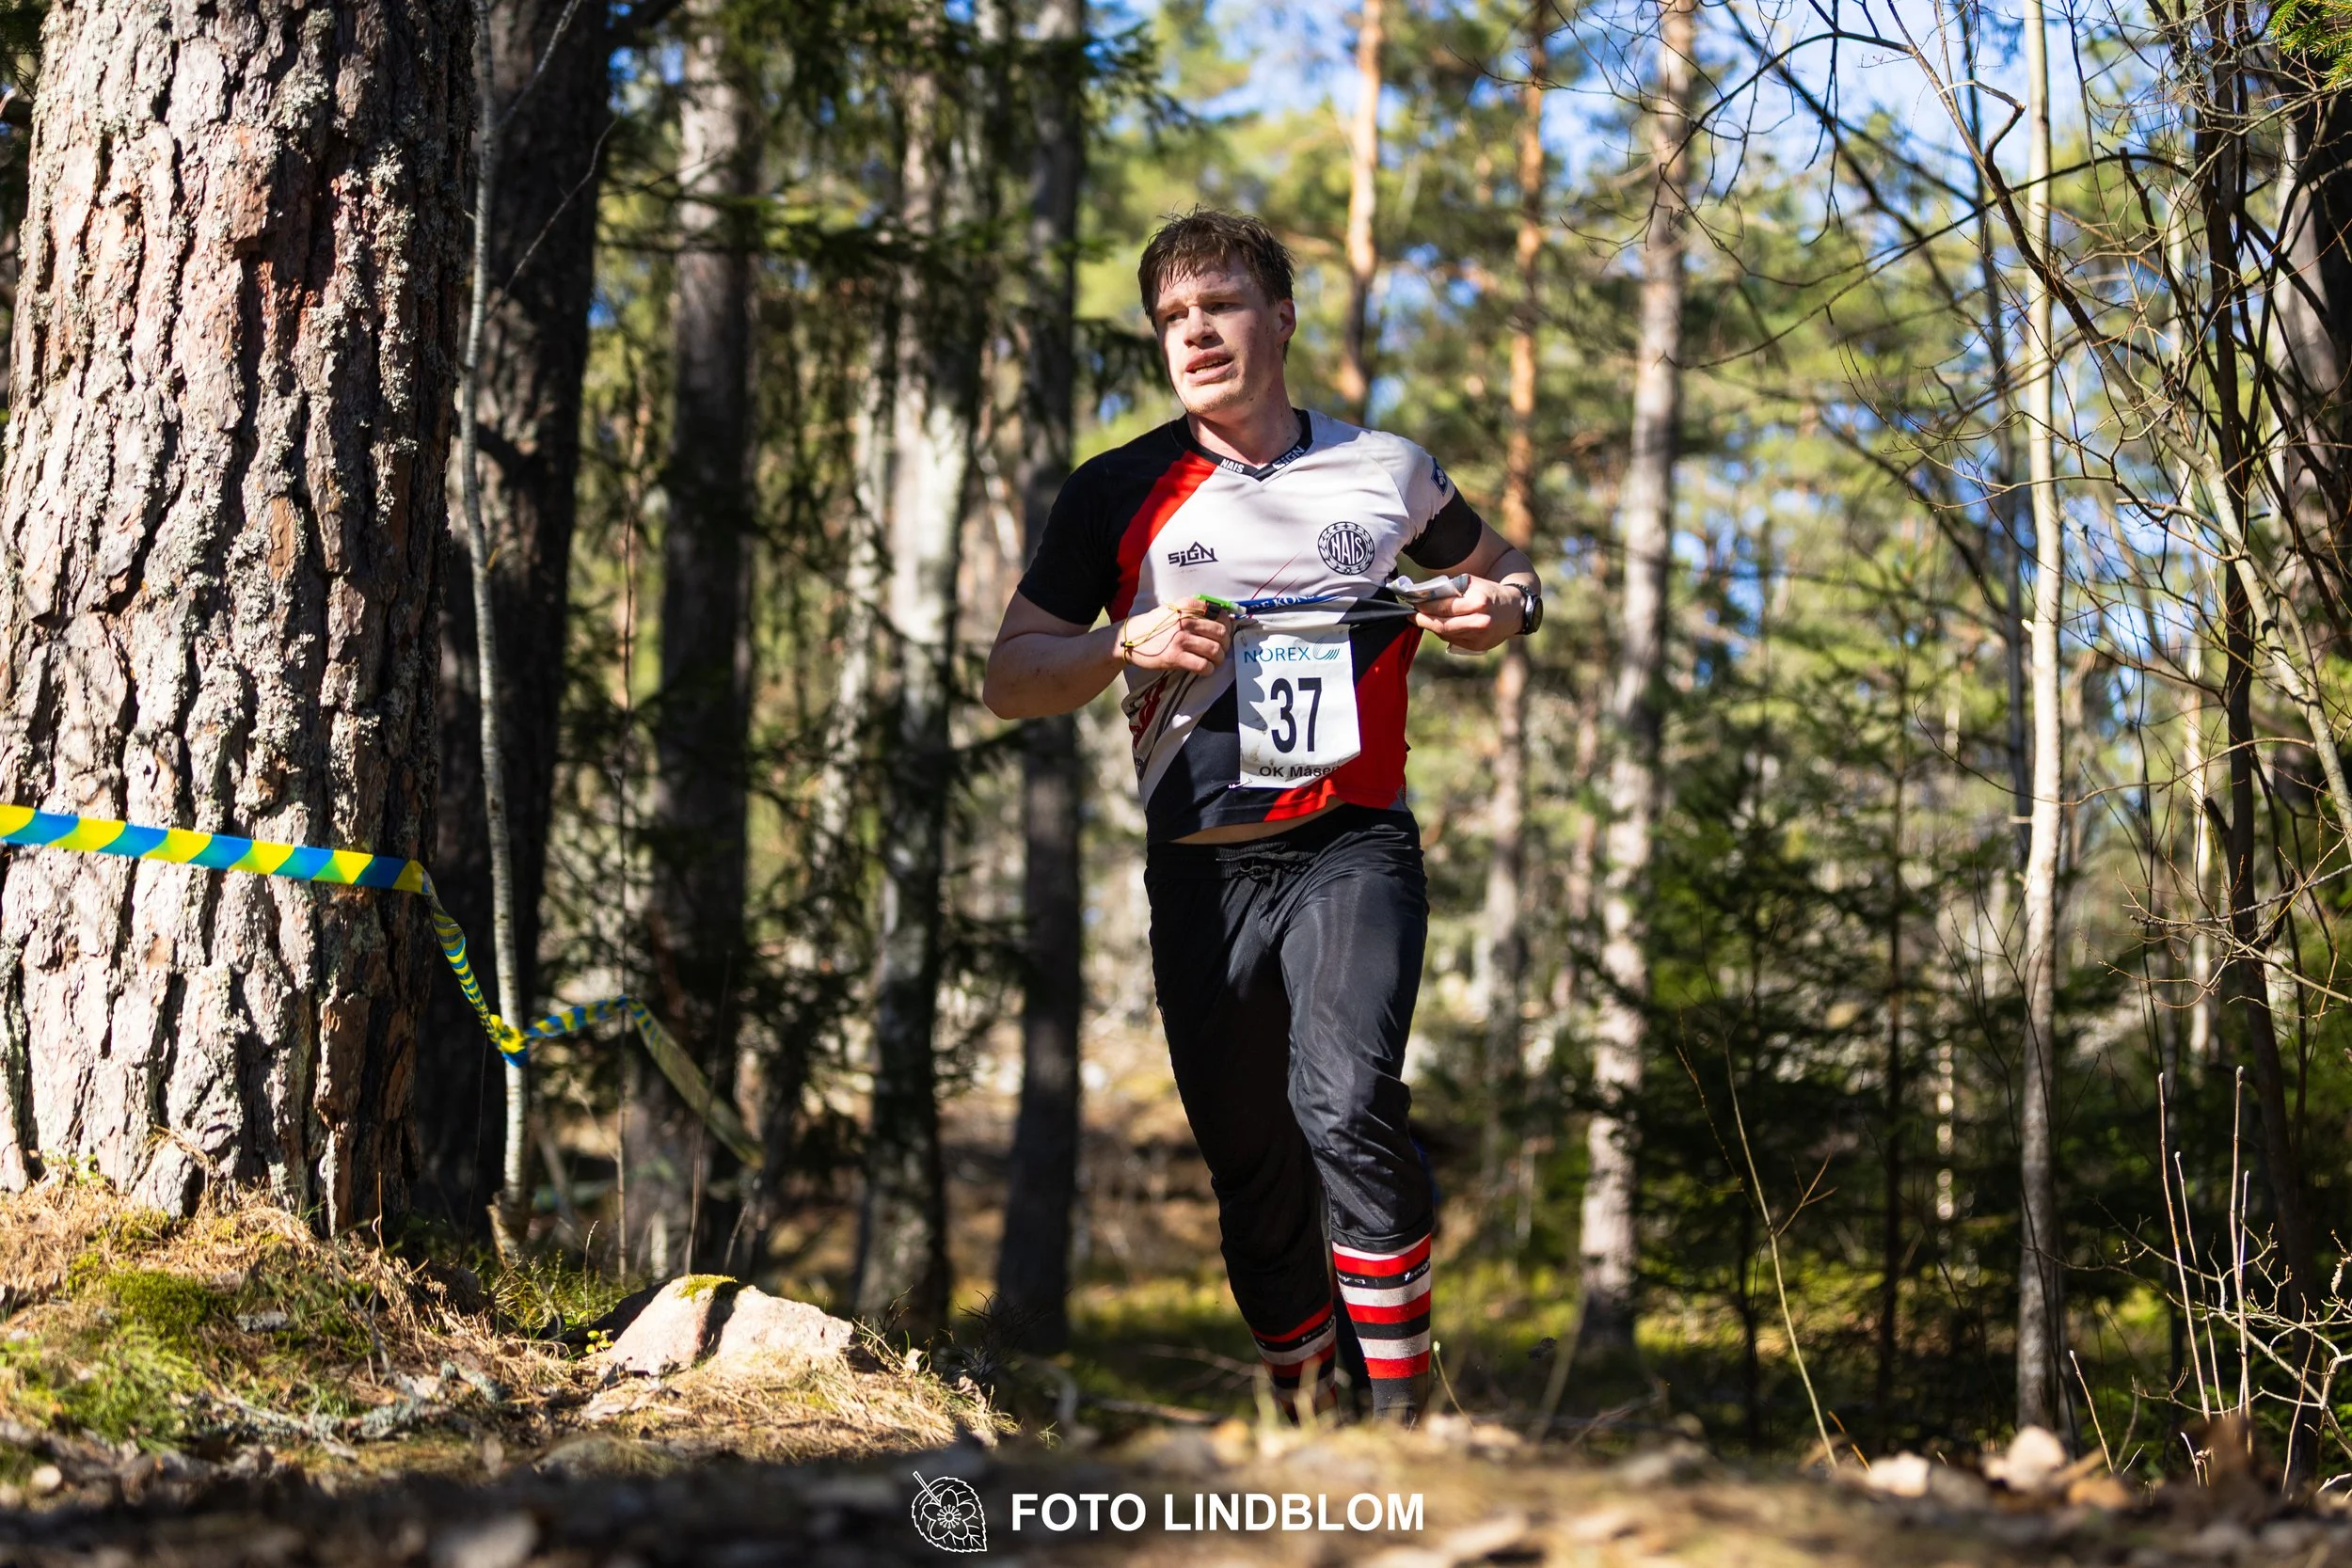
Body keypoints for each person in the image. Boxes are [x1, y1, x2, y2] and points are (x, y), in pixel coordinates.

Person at [982, 208, 1542, 1422]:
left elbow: (1510, 570)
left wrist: (1504, 608)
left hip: (1353, 846)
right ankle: (1307, 1410)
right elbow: (1008, 674)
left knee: (1344, 1103)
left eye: (1220, 306)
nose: (1197, 335)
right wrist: (1115, 641)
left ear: (1280, 318)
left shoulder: (1387, 469)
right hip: (1201, 868)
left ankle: (1402, 1435)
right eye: (1173, 318)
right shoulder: (1117, 490)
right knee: (1255, 1171)